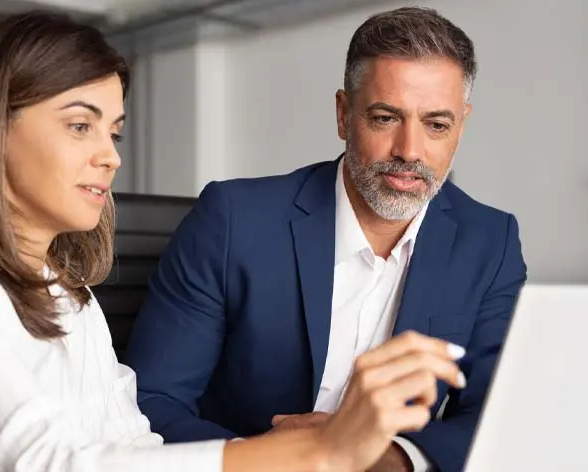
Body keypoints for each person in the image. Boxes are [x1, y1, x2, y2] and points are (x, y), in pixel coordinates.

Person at [0, 11, 467, 472]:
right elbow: (49, 462)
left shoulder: (70, 298)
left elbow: (132, 449)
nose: (110, 156)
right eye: (79, 125)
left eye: (114, 131)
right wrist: (318, 451)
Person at [124, 6, 527, 472]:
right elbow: (151, 401)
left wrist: (377, 458)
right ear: (343, 114)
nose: (410, 152)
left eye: (436, 124)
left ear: (460, 126)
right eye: (384, 118)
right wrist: (279, 458)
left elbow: (495, 415)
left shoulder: (490, 242)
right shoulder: (233, 219)